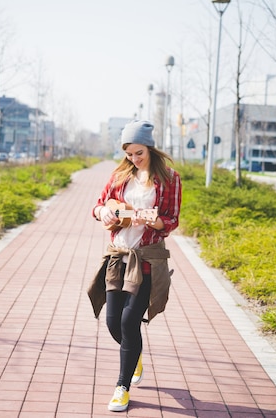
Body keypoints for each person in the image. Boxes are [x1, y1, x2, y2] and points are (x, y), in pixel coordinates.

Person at [88, 120, 182, 412]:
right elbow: (98, 205)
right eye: (129, 153)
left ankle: (122, 387)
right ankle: (135, 353)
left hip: (148, 259)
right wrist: (105, 212)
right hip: (118, 256)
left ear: (150, 147)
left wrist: (154, 221)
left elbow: (172, 219)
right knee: (113, 322)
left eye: (138, 153)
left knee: (130, 322)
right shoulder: (120, 175)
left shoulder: (169, 178)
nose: (133, 159)